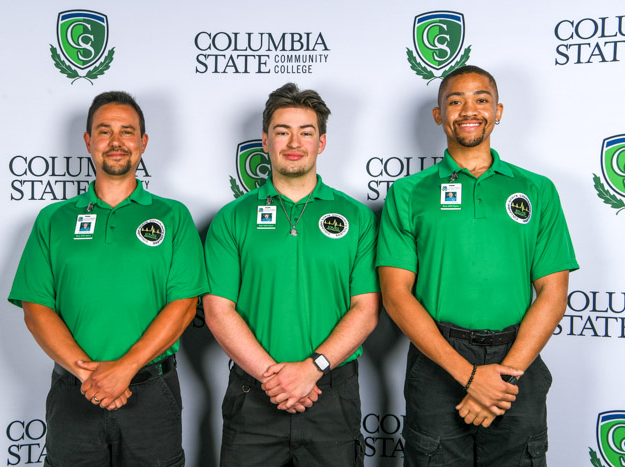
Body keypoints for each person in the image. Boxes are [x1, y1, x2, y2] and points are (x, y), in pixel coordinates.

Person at [377, 65, 579, 465]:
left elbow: (554, 294)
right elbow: (395, 296)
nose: (469, 110)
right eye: (455, 101)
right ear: (439, 115)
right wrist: (470, 377)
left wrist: (500, 380)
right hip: (438, 362)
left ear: (498, 111)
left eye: (481, 100)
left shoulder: (537, 189)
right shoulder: (407, 192)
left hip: (517, 360)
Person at [8, 91, 208, 467]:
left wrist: (125, 369)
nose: (116, 142)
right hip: (75, 390)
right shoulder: (53, 219)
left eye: (127, 132)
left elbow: (183, 307)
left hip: (152, 392)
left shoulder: (173, 216)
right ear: (88, 142)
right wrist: (93, 378)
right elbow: (36, 309)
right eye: (104, 131)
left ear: (143, 142)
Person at [204, 83, 380, 466]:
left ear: (323, 142)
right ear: (265, 141)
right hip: (254, 396)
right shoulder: (233, 218)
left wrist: (311, 369)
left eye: (306, 132)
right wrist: (278, 377)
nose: (294, 142)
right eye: (283, 131)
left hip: (332, 396)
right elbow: (218, 311)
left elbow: (365, 309)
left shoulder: (356, 217)